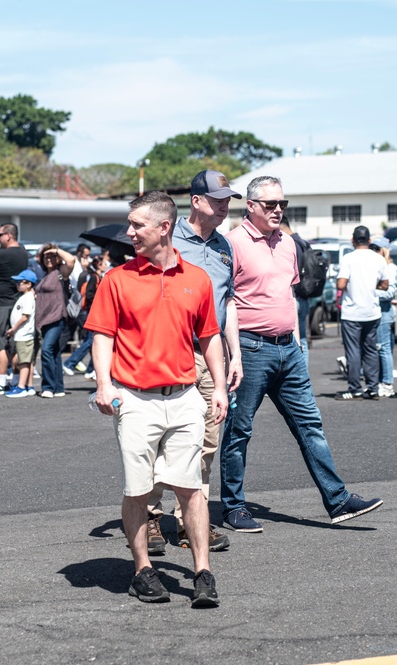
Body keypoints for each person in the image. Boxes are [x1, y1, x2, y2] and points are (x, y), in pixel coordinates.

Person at [86, 190, 227, 607]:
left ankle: (203, 573)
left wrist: (218, 386)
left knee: (192, 489)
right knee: (138, 491)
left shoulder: (196, 279)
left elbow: (209, 337)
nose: (129, 232)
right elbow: (102, 337)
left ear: (164, 227)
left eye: (137, 225)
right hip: (135, 400)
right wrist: (103, 385)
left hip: (184, 397)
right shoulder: (117, 280)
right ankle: (143, 571)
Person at [220, 176, 383, 533]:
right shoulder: (232, 243)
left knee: (310, 425)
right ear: (250, 206)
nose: (278, 210)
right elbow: (226, 300)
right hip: (250, 347)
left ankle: (337, 500)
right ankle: (233, 506)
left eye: (283, 204)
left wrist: (296, 340)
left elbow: (290, 295)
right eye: (270, 204)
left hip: (287, 349)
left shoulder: (289, 244)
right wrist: (232, 354)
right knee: (240, 430)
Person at [146, 169, 242, 555]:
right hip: (170, 353)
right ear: (196, 201)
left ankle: (191, 522)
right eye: (218, 199)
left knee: (206, 440)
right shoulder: (167, 240)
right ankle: (150, 518)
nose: (224, 207)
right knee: (156, 438)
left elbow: (228, 302)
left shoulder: (224, 246)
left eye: (228, 200)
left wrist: (235, 356)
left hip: (211, 353)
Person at [335, 226, 389, 401]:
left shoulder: (348, 258)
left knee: (353, 351)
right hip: (372, 311)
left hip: (352, 312)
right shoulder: (379, 259)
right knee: (371, 350)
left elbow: (341, 285)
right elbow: (385, 285)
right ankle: (373, 388)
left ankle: (355, 388)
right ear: (369, 240)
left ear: (353, 240)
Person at [0, 224, 29, 395]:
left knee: (0, 344)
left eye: (0, 234)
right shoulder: (23, 253)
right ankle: (15, 381)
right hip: (16, 303)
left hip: (1, 305)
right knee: (13, 345)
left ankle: (1, 381)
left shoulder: (3, 254)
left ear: (8, 235)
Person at [34, 243, 75, 398]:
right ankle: (58, 388)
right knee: (55, 352)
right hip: (44, 319)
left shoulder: (60, 273)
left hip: (57, 317)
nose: (49, 259)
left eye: (52, 256)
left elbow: (71, 260)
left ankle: (48, 387)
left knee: (46, 350)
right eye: (46, 257)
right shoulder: (46, 275)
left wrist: (56, 250)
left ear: (57, 258)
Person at [279, 218, 312, 365]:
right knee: (302, 338)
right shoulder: (304, 243)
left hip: (293, 297)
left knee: (293, 340)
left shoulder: (289, 243)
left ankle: (299, 372)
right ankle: (302, 372)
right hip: (304, 297)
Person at [372, 239, 397, 397]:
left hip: (384, 311)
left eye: (376, 248)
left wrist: (368, 291)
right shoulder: (376, 265)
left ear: (384, 250)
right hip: (376, 310)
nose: (373, 251)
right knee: (379, 348)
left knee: (384, 348)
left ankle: (387, 383)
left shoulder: (391, 268)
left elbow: (389, 292)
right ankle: (382, 380)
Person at [5, 269, 38, 398]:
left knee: (23, 362)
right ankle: (29, 386)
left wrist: (13, 329)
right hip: (22, 334)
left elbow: (25, 317)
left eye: (20, 282)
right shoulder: (25, 297)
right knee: (27, 360)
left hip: (24, 334)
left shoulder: (28, 298)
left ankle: (21, 387)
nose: (17, 284)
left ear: (29, 284)